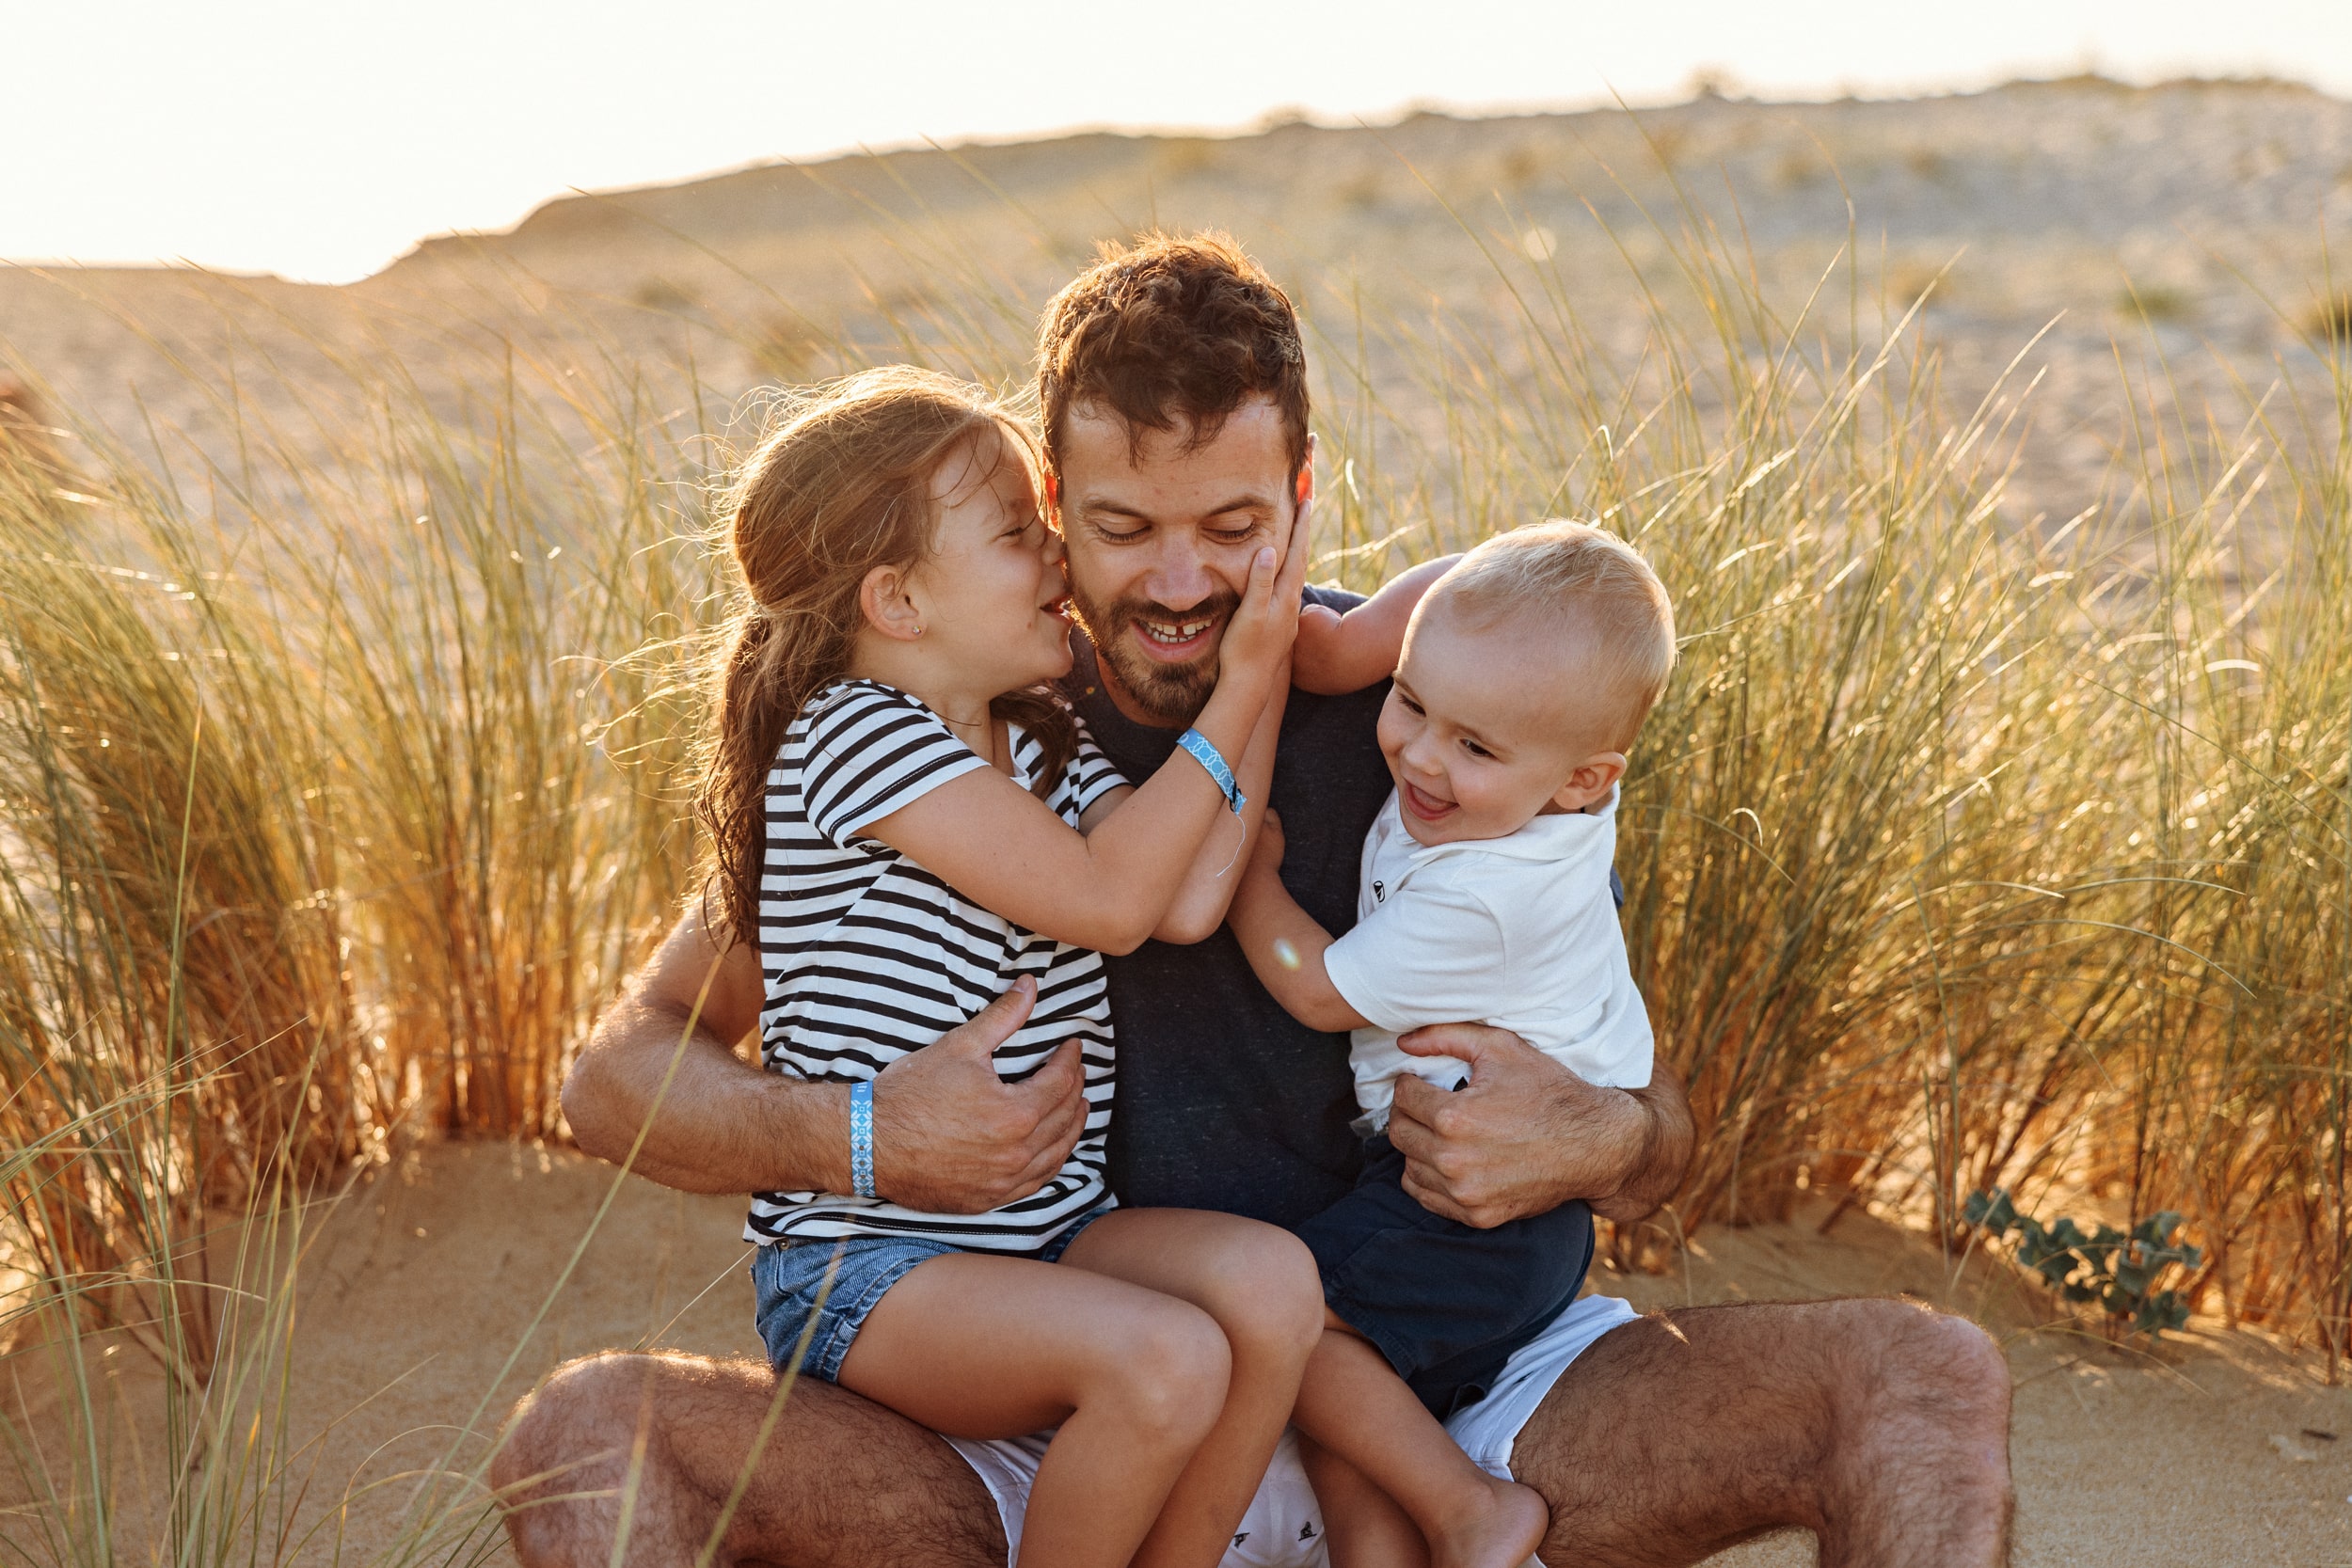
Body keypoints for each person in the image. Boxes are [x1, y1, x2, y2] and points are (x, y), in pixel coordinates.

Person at [496, 233, 2015, 1568]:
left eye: (1232, 529)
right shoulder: (953, 738)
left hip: (1455, 1407)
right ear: (1048, 503)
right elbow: (615, 1074)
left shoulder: (1452, 723)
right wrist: (858, 1131)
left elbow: (1657, 1124)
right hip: (1058, 1432)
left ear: (1300, 497)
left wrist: (1596, 1131)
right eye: (1121, 527)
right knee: (590, 1431)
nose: (1178, 582)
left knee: (1925, 1379)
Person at [696, 363, 1335, 1568]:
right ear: (898, 599)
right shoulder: (855, 731)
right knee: (1165, 1355)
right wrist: (1243, 682)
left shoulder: (1042, 735)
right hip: (870, 1266)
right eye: (1014, 536)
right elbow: (1106, 900)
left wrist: (1273, 654)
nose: (1054, 559)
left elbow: (1185, 900)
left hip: (1048, 1233)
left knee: (1270, 1287)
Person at [1228, 522, 1675, 1567]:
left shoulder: (1488, 891)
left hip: (1482, 1212)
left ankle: (1477, 1514)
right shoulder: (1543, 761)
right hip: (1481, 1205)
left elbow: (1321, 990)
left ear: (1582, 780)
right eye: (1413, 701)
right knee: (1352, 1411)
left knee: (1295, 1334)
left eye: (1473, 745)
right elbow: (1453, 594)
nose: (1421, 754)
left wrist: (1250, 875)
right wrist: (1354, 645)